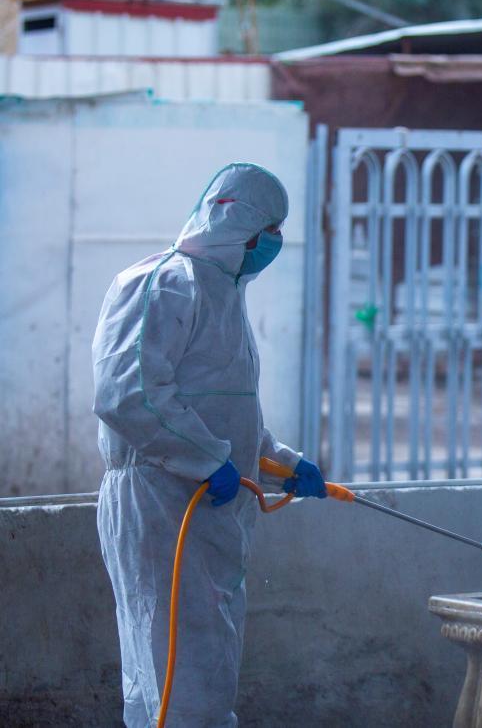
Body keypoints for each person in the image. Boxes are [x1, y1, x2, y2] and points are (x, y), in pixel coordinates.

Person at [92, 163, 328, 726]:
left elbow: (227, 413)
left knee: (192, 673)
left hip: (204, 509)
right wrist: (208, 460)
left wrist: (284, 464)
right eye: (270, 229)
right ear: (237, 223)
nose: (274, 242)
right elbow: (127, 395)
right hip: (160, 504)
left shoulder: (224, 294)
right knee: (180, 678)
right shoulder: (164, 282)